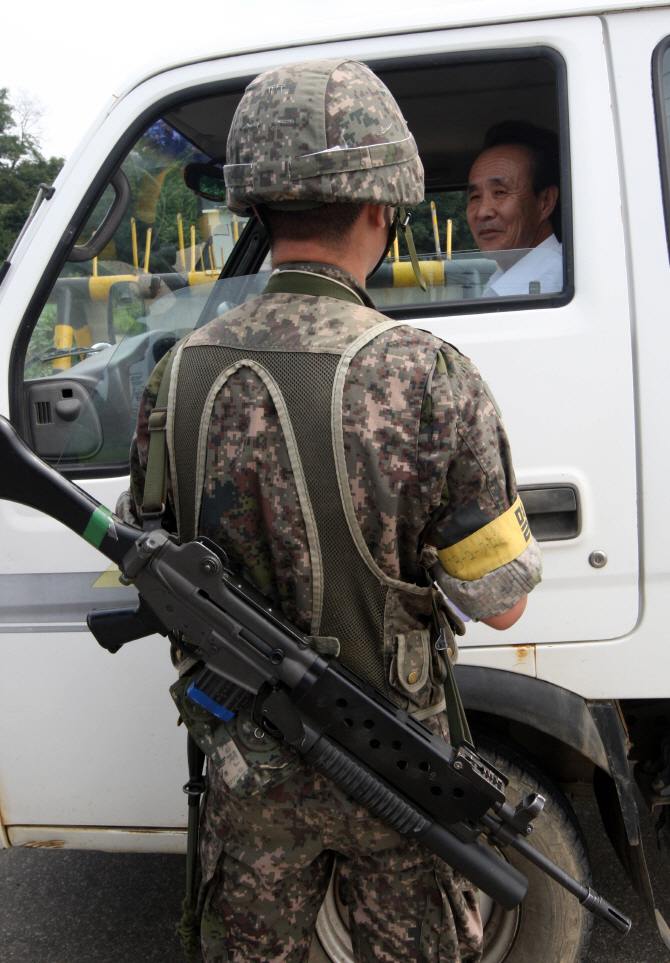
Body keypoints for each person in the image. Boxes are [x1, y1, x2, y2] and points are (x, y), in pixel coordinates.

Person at [122, 59, 543, 963]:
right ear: (384, 209)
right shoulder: (428, 375)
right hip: (392, 764)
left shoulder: (176, 373)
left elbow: (146, 547)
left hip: (248, 767)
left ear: (258, 212)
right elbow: (502, 598)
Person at [467, 121, 563, 297]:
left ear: (545, 202)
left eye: (500, 192)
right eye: (475, 197)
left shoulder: (552, 286)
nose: (482, 212)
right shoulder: (508, 281)